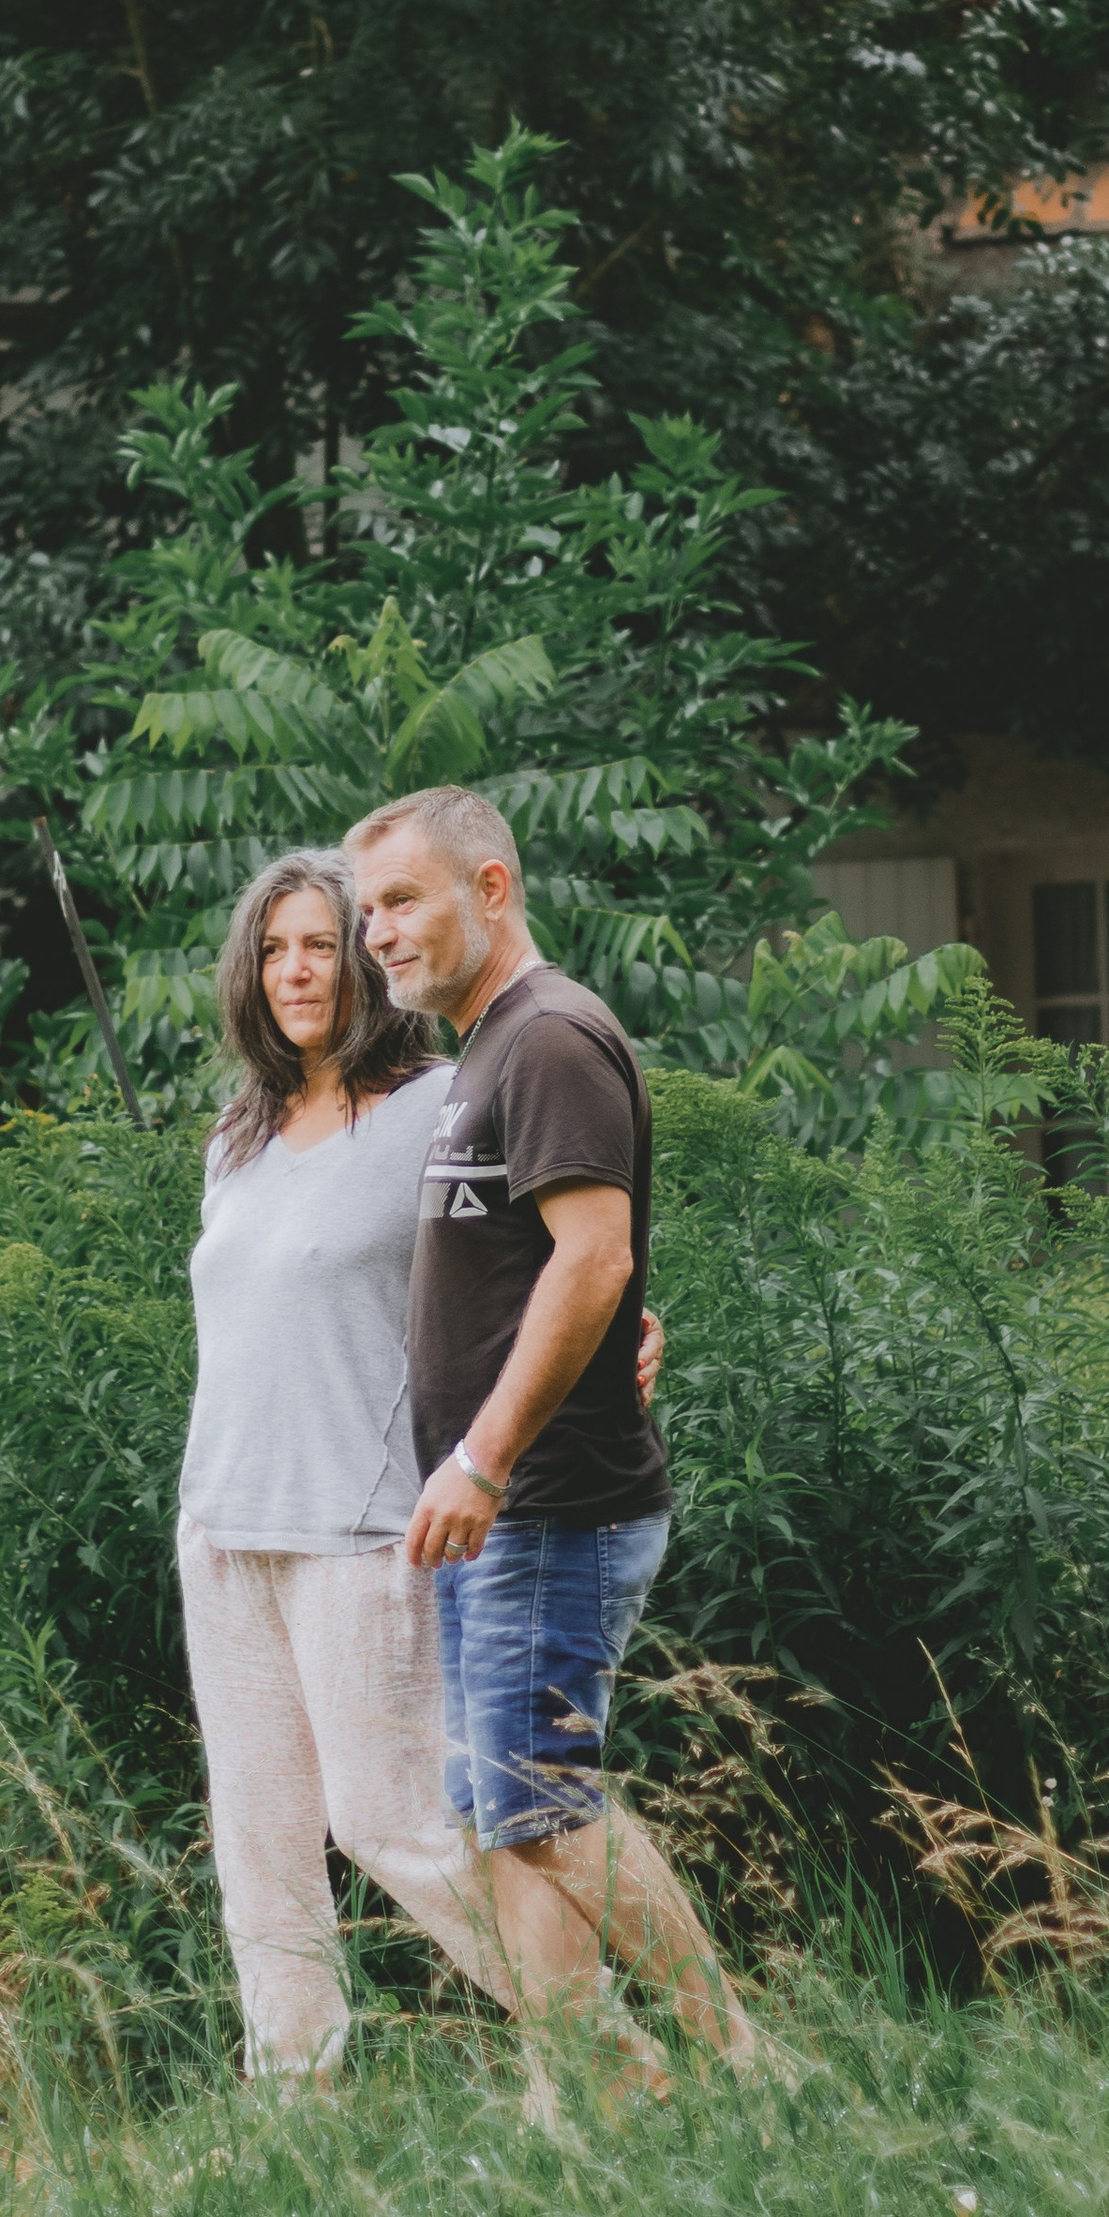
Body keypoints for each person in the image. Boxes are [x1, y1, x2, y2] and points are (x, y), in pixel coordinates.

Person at [347, 785, 758, 2072]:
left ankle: (735, 2056)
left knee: (541, 1805)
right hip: (504, 1511)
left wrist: (483, 1456)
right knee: (510, 1819)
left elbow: (592, 1261)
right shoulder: (488, 1050)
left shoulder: (549, 1041)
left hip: (549, 1501)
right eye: (367, 914)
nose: (379, 936)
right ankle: (589, 2098)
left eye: (402, 902)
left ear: (491, 888)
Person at [174, 847, 520, 2079]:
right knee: (259, 1845)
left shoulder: (439, 1105)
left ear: (364, 960)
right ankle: (295, 2111)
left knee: (396, 1824)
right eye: (273, 949)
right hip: (222, 1528)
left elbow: (547, 1243)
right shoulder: (239, 1133)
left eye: (319, 942)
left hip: (361, 1525)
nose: (296, 969)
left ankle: (594, 2042)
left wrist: (628, 1321)